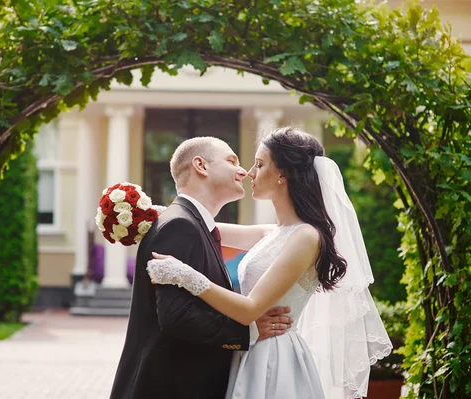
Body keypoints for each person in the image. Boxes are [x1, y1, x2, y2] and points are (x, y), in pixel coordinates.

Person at [147, 127, 393, 399]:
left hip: (274, 357)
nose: (250, 173)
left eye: (260, 164)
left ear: (283, 174)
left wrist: (184, 276)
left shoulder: (306, 237)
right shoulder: (272, 233)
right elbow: (202, 224)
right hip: (252, 348)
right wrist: (150, 214)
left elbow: (249, 310)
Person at [110, 137, 294, 399]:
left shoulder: (189, 224)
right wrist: (248, 331)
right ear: (201, 166)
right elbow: (177, 316)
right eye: (232, 161)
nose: (243, 172)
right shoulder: (180, 226)